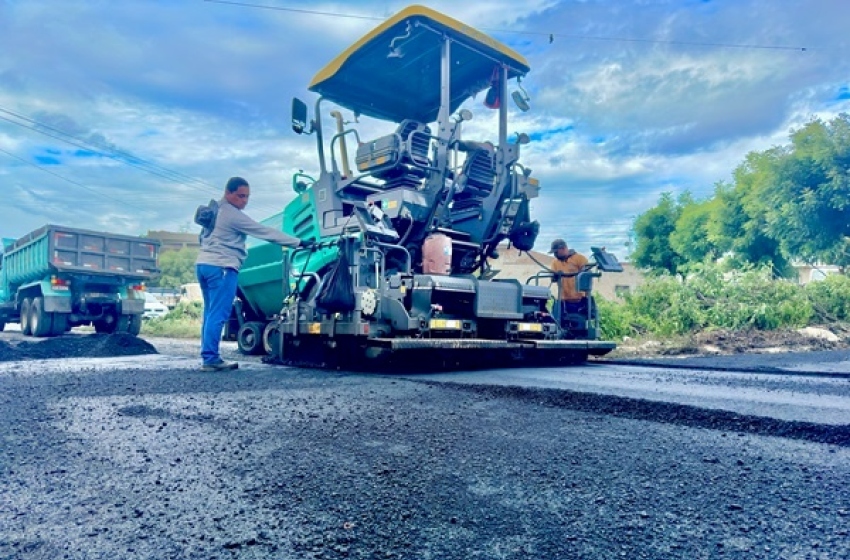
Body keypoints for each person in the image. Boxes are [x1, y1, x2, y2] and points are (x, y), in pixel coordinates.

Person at [195, 176, 313, 371]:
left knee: (210, 313)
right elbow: (264, 232)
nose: (244, 201)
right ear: (228, 192)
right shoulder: (231, 214)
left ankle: (208, 356)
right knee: (218, 314)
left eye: (247, 197)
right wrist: (299, 243)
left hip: (204, 265)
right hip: (222, 267)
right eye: (240, 196)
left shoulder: (214, 211)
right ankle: (210, 359)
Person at [550, 238, 589, 319]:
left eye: (556, 252)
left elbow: (587, 277)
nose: (555, 255)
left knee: (579, 324)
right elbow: (553, 279)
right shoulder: (555, 263)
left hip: (580, 301)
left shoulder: (580, 259)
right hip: (563, 301)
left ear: (564, 249)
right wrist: (555, 276)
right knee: (556, 321)